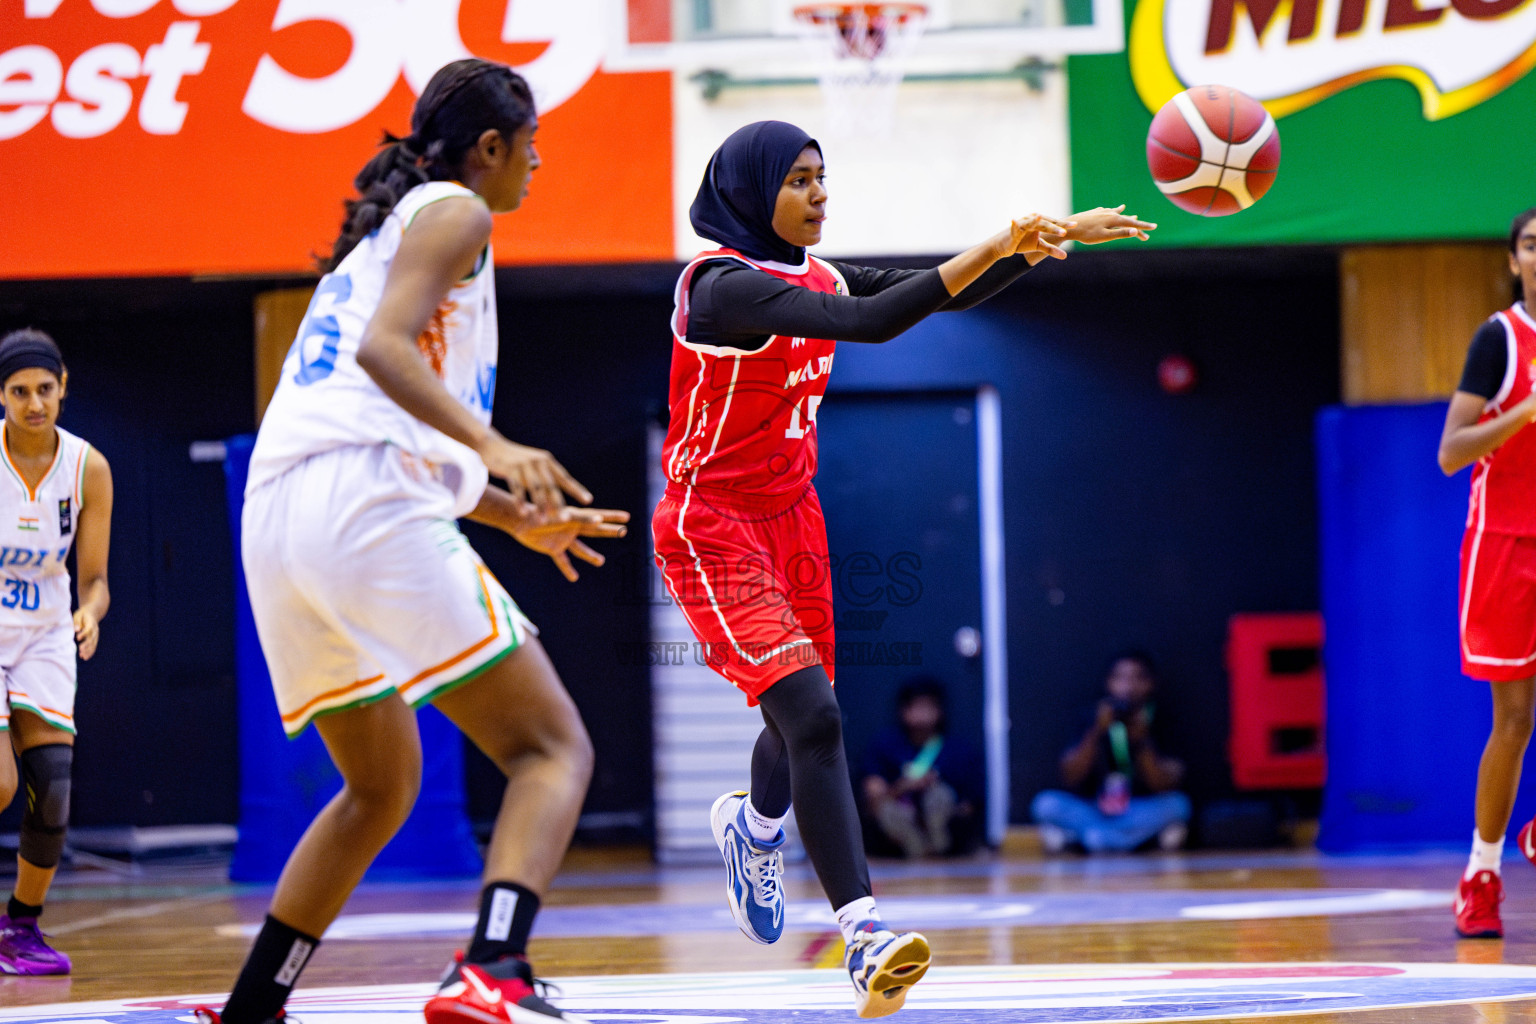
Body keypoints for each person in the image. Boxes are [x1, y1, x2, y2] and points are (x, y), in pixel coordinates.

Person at [651, 119, 1153, 1018]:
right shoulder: (720, 286)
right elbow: (872, 321)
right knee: (814, 713)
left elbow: (938, 297)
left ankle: (755, 829)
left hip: (793, 517)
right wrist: (1001, 237)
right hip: (711, 523)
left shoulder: (817, 272)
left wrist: (1040, 246)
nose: (820, 195)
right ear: (748, 191)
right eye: (800, 180)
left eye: (824, 177)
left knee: (799, 718)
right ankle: (863, 935)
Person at [201, 59, 627, 1024]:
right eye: (532, 144)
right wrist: (497, 443)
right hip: (357, 504)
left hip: (277, 524)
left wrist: (517, 513)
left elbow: (387, 420)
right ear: (490, 149)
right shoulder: (456, 214)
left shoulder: (383, 242)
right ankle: (494, 968)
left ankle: (253, 1005)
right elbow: (381, 355)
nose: (539, 163)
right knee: (551, 748)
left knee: (380, 784)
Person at [1438, 206, 1536, 940]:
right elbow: (1452, 451)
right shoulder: (1499, 339)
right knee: (1513, 719)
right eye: (1533, 245)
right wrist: (1527, 411)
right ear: (1514, 261)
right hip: (1505, 544)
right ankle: (1482, 872)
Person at [0, 329, 111, 976]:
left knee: (53, 792)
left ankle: (19, 930)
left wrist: (88, 613)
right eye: (20, 391)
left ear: (63, 386)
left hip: (45, 630)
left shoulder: (88, 467)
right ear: (2, 396)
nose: (35, 403)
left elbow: (94, 578)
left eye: (45, 389)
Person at [1031, 651, 1190, 854]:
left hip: (1137, 809)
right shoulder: (1093, 716)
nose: (1129, 686)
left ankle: (1091, 840)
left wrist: (1142, 741)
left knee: (1180, 805)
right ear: (1109, 682)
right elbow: (1070, 776)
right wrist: (1096, 732)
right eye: (1121, 678)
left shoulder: (1160, 719)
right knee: (1045, 804)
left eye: (1137, 678)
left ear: (1150, 684)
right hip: (1095, 808)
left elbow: (1165, 782)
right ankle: (1134, 841)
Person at [860, 676, 982, 859]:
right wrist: (904, 786)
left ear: (939, 710)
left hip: (942, 828)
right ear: (904, 710)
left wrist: (933, 789)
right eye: (916, 707)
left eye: (928, 707)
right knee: (891, 812)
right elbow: (874, 798)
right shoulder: (884, 746)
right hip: (900, 828)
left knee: (938, 796)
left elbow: (969, 805)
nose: (922, 714)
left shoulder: (958, 750)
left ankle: (937, 847)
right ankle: (917, 849)